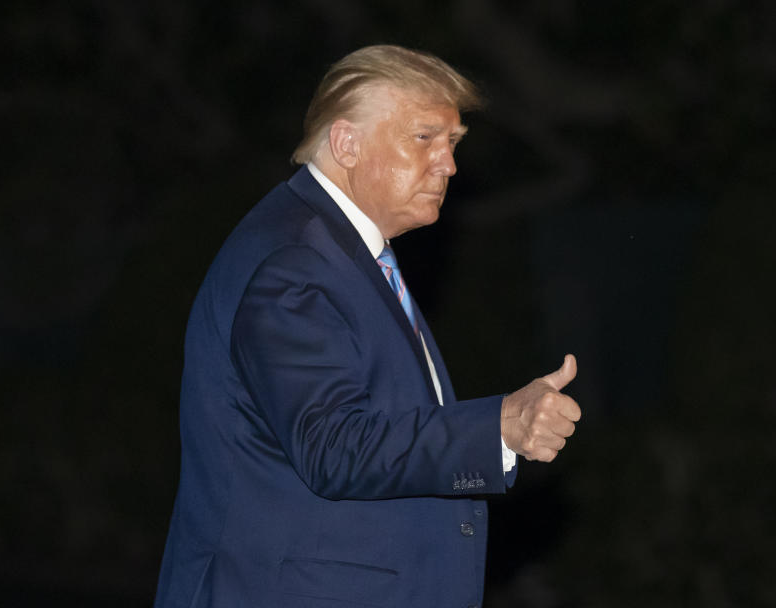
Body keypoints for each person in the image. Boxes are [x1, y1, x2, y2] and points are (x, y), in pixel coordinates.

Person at [154, 45, 582, 608]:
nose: (448, 164)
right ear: (346, 143)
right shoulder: (295, 260)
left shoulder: (335, 247)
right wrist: (497, 429)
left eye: (452, 143)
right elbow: (332, 445)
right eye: (424, 137)